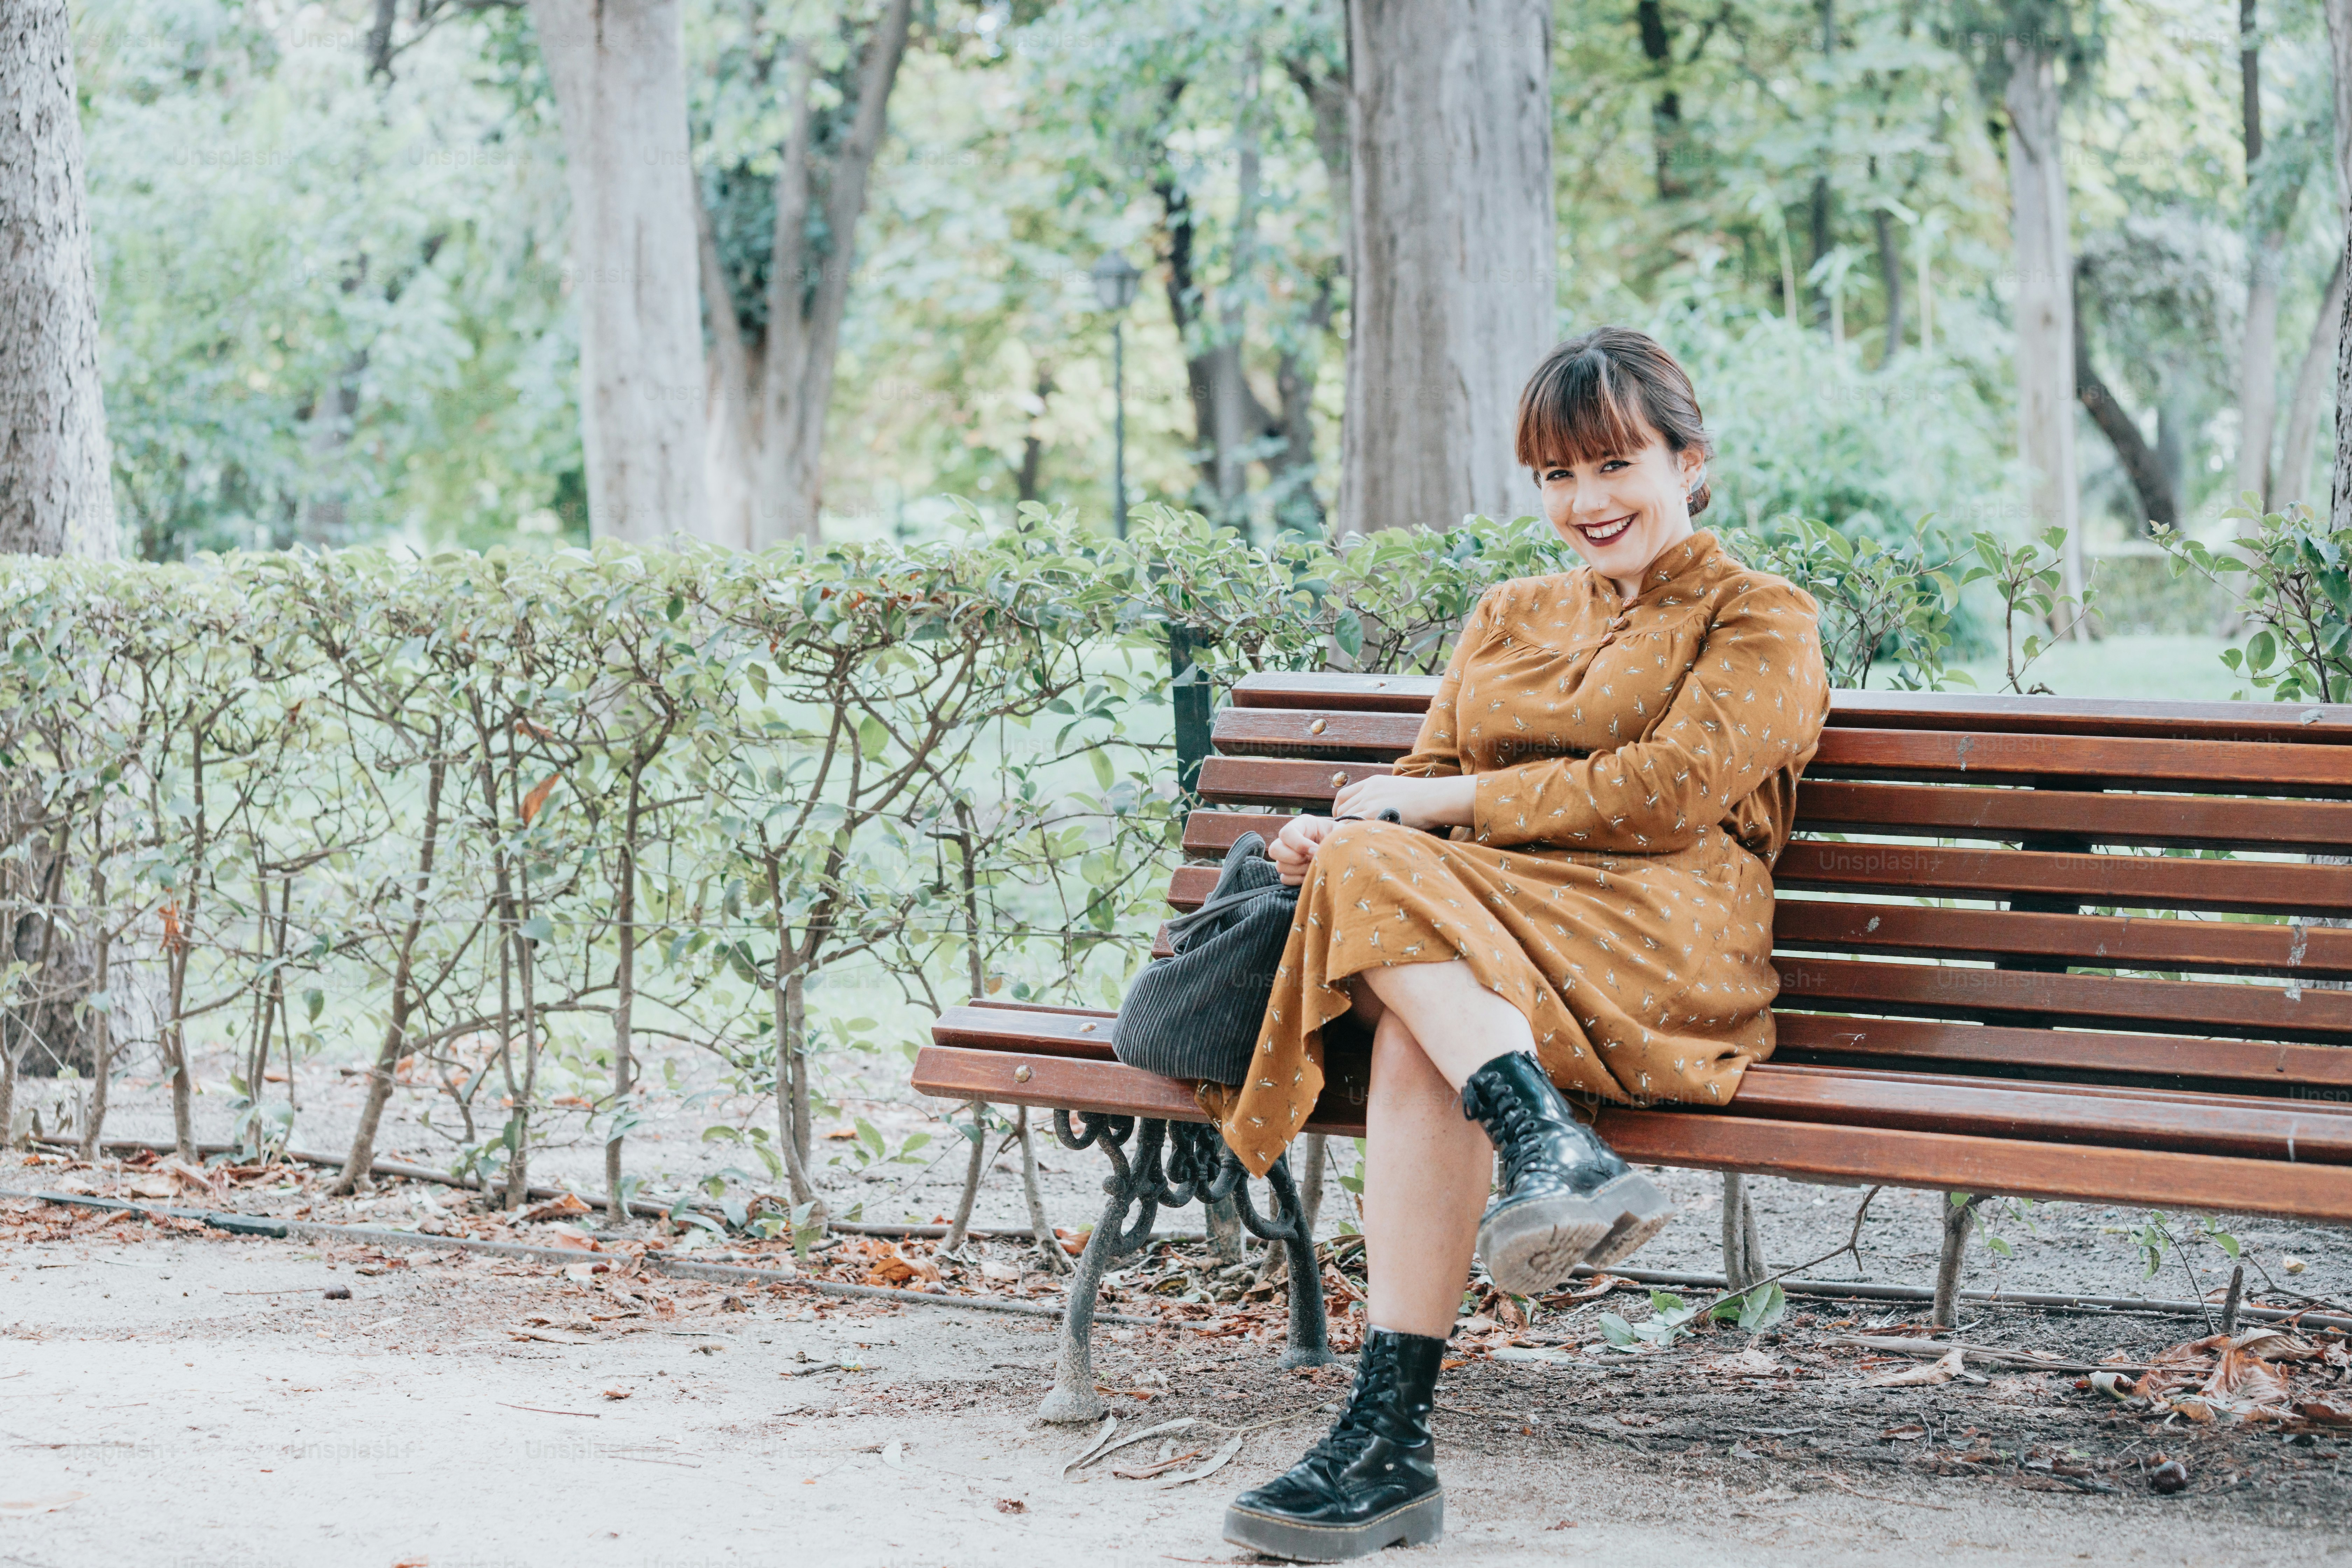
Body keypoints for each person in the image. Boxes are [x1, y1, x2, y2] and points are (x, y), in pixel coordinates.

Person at [1212, 327, 1832, 1561]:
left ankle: (1529, 1171)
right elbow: (1425, 781)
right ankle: (1412, 1391)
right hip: (1487, 950)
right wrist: (1332, 838)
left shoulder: (1763, 617)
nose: (1586, 502)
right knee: (1409, 1020)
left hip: (1669, 942)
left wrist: (1422, 818)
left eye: (1613, 465)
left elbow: (1668, 794)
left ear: (1689, 460)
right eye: (1556, 475)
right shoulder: (1508, 615)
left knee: (1404, 936)